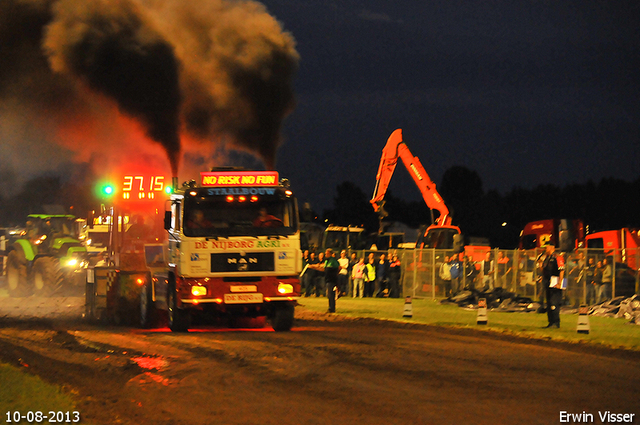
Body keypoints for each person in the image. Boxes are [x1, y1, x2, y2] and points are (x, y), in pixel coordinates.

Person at [539, 242, 565, 328]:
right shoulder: (547, 258)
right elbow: (545, 271)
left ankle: (556, 323)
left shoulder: (557, 257)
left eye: (546, 247)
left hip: (556, 281)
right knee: (549, 303)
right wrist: (540, 265)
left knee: (555, 303)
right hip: (548, 282)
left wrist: (560, 283)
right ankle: (550, 322)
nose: (545, 249)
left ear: (551, 247)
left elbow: (562, 270)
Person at [309, 248, 340, 313]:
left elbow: (327, 268)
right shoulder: (327, 260)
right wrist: (314, 267)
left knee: (330, 294)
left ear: (330, 254)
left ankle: (331, 308)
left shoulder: (332, 260)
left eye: (327, 253)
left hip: (332, 279)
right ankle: (331, 307)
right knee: (329, 294)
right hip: (328, 279)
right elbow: (324, 269)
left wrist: (315, 266)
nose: (325, 254)